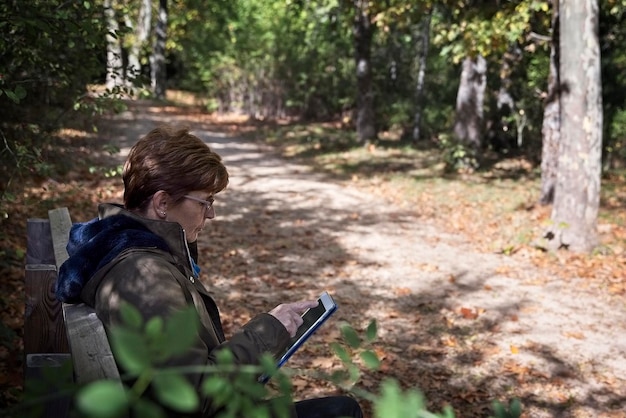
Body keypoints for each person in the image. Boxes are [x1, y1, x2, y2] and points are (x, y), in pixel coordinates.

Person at [55, 125, 362, 418]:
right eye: (205, 202)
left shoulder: (126, 251)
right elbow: (193, 396)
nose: (212, 214)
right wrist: (270, 330)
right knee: (342, 412)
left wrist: (274, 328)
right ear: (162, 203)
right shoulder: (146, 276)